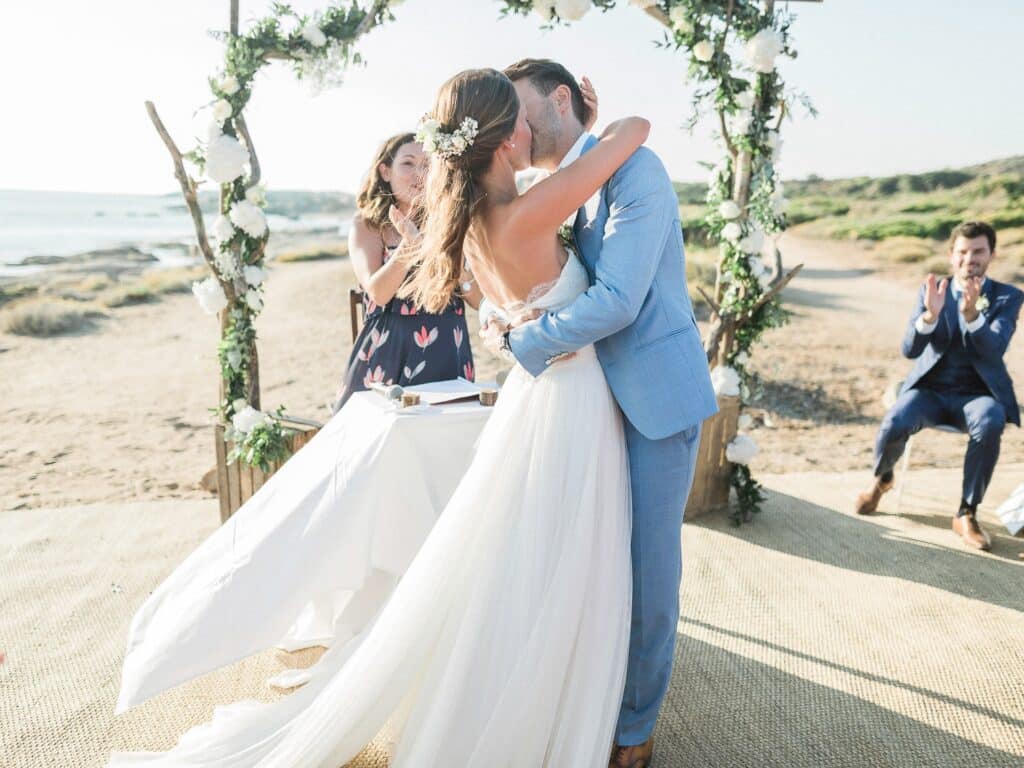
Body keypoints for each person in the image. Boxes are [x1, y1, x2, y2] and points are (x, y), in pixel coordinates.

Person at [110, 68, 655, 767]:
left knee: (535, 553)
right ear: (498, 136)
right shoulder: (527, 210)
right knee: (566, 555)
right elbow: (634, 133)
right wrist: (592, 117)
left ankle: (540, 684)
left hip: (537, 397)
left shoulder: (479, 219)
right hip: (570, 401)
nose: (529, 129)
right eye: (518, 119)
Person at [482, 59, 717, 768]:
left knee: (647, 578)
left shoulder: (636, 172)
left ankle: (634, 728)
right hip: (584, 408)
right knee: (588, 566)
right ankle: (587, 691)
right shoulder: (555, 185)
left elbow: (616, 299)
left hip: (652, 400)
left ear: (562, 100)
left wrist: (524, 342)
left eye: (521, 112)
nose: (515, 130)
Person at [855, 221, 1022, 551]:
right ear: (951, 255)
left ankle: (966, 513)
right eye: (963, 251)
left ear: (992, 254)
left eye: (978, 251)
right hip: (930, 392)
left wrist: (973, 316)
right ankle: (883, 479)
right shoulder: (933, 289)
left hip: (978, 395)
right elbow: (909, 350)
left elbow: (995, 348)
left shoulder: (1007, 296)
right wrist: (929, 318)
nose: (969, 258)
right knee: (895, 420)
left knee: (991, 422)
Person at [332, 132, 478, 413]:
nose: (420, 174)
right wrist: (409, 246)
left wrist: (455, 258)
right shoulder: (368, 224)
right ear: (385, 171)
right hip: (389, 350)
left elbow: (476, 300)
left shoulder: (451, 221)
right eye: (408, 164)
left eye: (428, 165)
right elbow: (378, 292)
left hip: (449, 348)